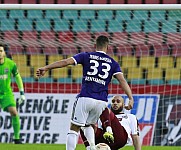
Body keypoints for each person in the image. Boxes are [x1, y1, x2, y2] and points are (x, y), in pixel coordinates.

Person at [36, 35, 134, 150]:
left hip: (86, 97)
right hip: (101, 102)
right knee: (89, 125)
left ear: (95, 45)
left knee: (74, 128)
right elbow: (122, 80)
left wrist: (47, 68)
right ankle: (91, 147)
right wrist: (130, 98)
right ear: (107, 47)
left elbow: (66, 62)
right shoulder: (113, 63)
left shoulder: (86, 55)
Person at [0, 46, 26, 144]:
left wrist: (22, 92)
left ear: (4, 53)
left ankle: (16, 138)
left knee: (14, 112)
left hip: (7, 93)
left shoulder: (10, 64)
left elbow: (17, 77)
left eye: (1, 51)